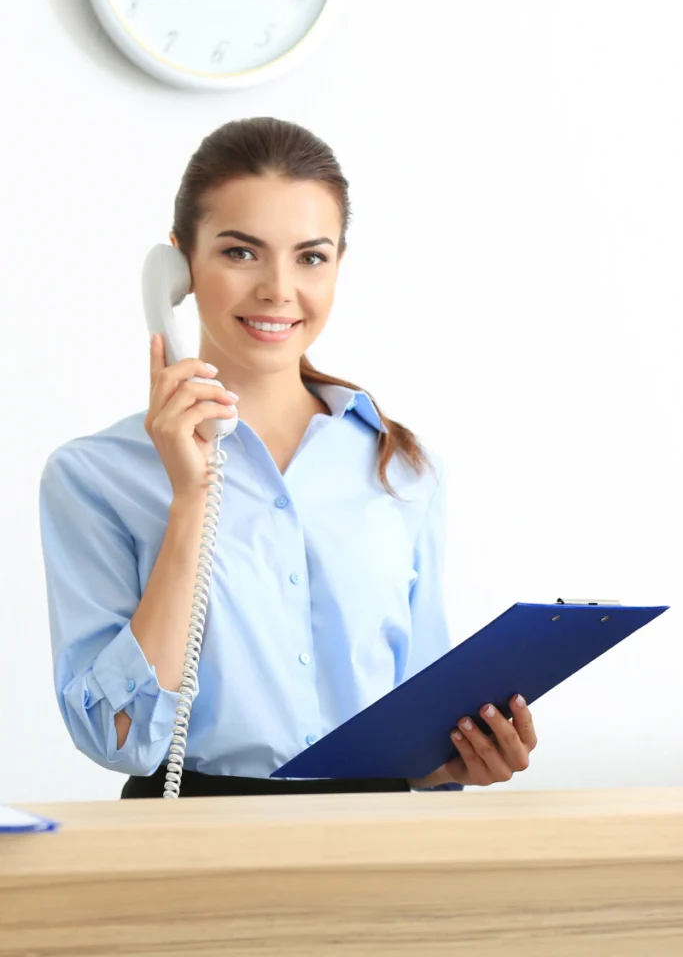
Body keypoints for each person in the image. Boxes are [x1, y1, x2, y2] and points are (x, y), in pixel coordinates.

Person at [39, 117, 537, 798]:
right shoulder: (94, 477)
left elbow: (418, 725)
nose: (278, 288)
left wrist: (456, 758)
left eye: (310, 257)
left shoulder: (402, 468)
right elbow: (117, 738)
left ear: (337, 266)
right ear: (178, 269)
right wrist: (191, 502)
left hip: (375, 831)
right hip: (192, 831)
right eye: (241, 252)